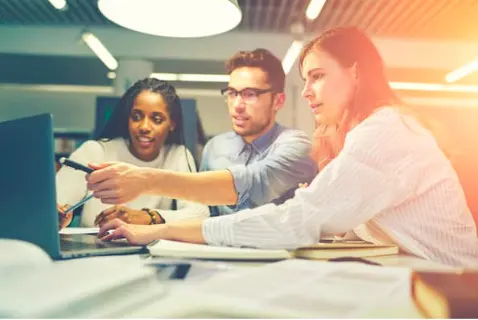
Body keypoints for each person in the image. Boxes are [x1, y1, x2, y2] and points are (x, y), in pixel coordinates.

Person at [90, 27, 478, 267]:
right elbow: (349, 220)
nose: (306, 92)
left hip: (455, 291)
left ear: (355, 72)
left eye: (318, 76)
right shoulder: (381, 128)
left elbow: (294, 221)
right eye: (306, 79)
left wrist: (161, 228)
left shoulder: (386, 131)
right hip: (427, 276)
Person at [86, 48, 317, 216]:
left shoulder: (297, 146)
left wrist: (145, 180)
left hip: (278, 262)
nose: (237, 104)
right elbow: (204, 215)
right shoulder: (215, 147)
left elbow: (255, 182)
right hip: (219, 261)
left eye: (250, 94)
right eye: (232, 93)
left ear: (279, 101)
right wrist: (146, 222)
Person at [56, 78, 209, 228]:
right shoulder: (95, 151)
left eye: (156, 119)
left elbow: (200, 213)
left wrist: (146, 217)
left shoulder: (177, 155)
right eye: (136, 117)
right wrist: (58, 216)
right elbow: (54, 205)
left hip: (148, 251)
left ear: (171, 124)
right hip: (94, 248)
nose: (144, 127)